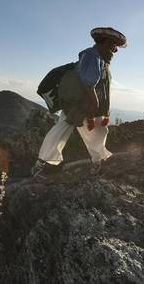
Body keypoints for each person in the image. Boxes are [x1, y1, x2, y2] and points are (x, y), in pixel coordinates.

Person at [31, 27, 127, 181]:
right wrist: (95, 103)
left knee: (84, 131)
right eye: (114, 44)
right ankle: (44, 165)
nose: (115, 49)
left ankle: (45, 164)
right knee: (68, 130)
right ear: (107, 42)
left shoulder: (99, 57)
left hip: (79, 104)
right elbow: (89, 81)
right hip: (83, 104)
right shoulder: (92, 55)